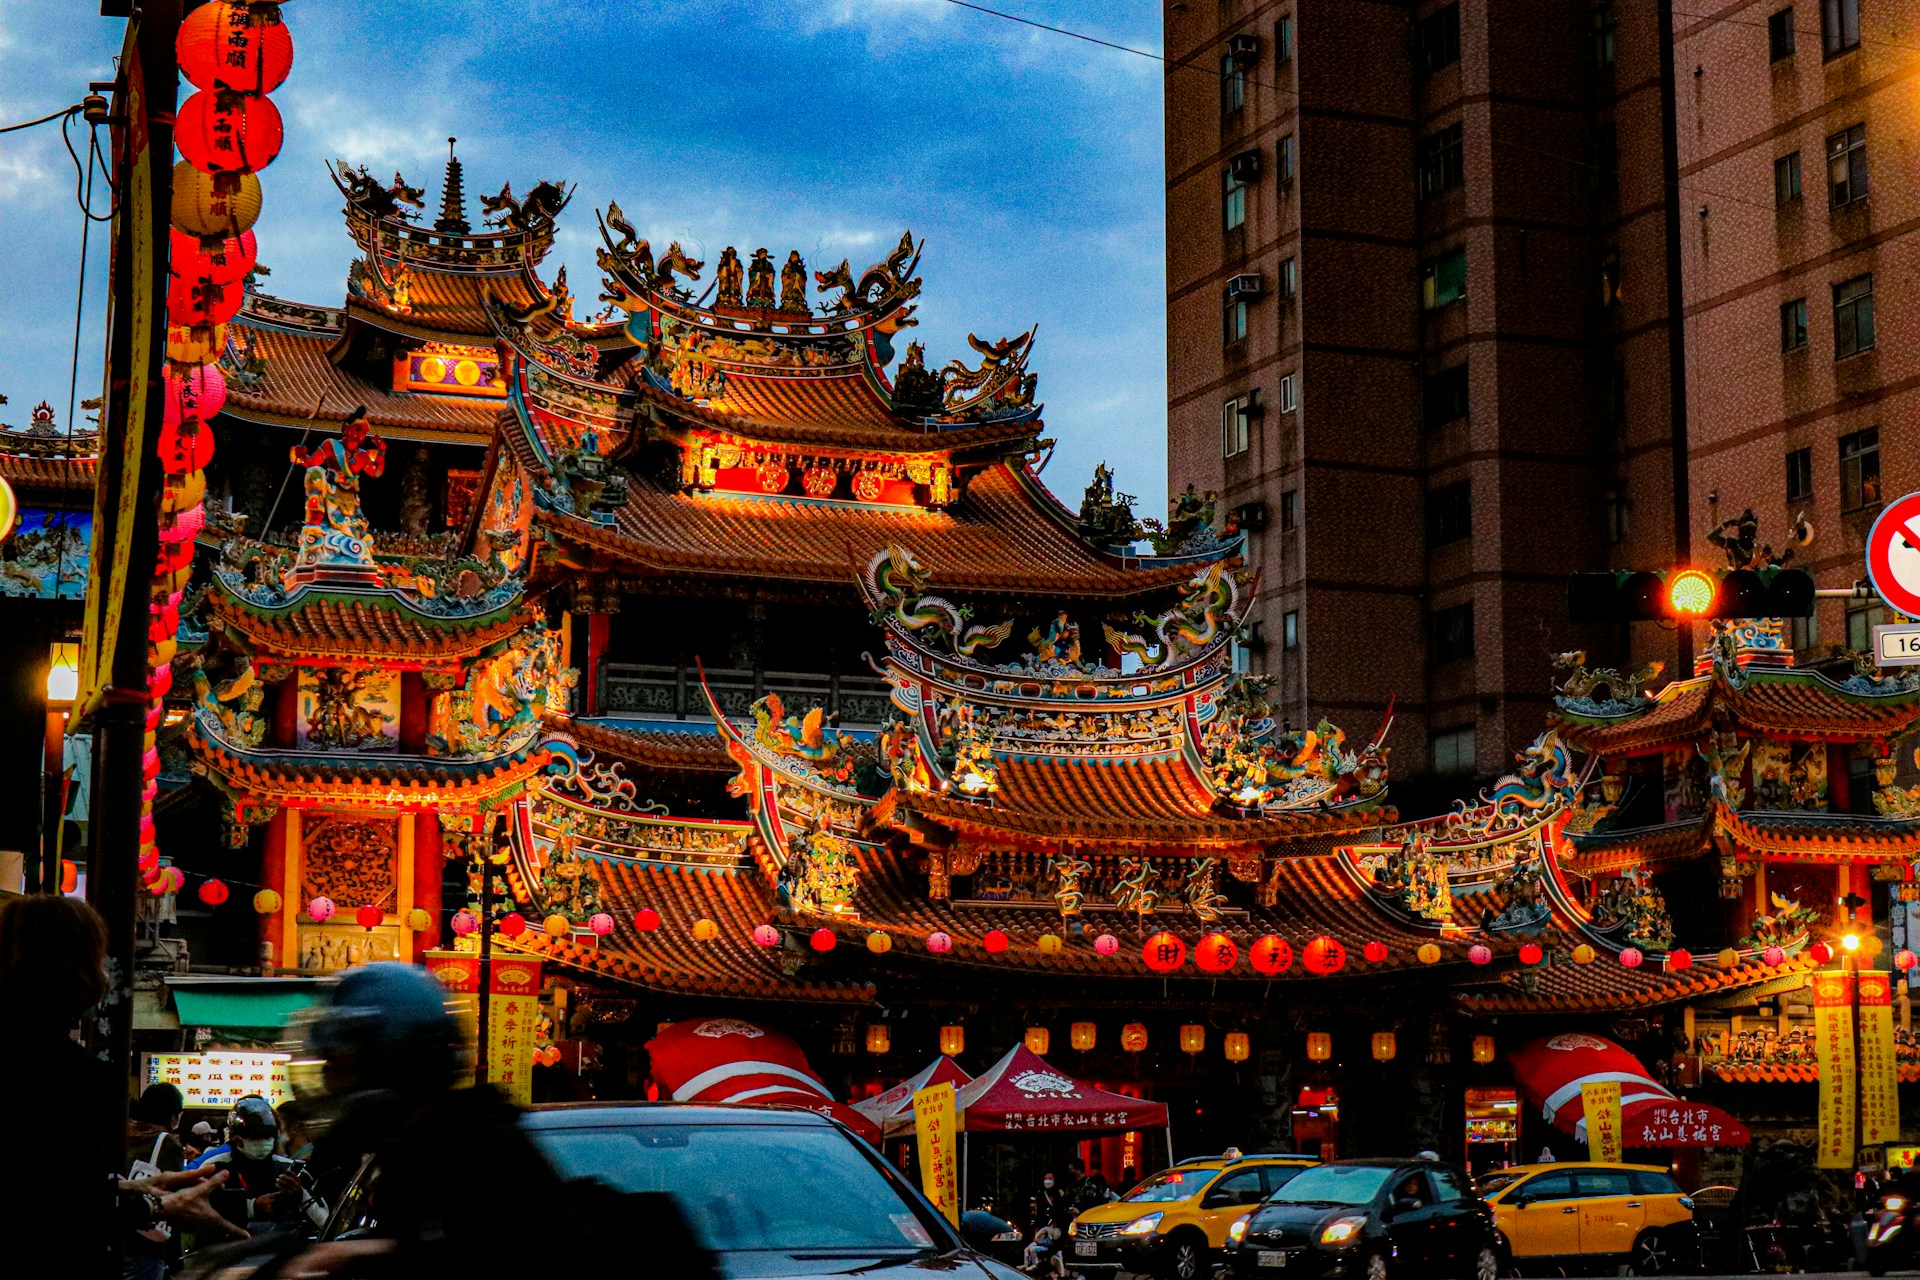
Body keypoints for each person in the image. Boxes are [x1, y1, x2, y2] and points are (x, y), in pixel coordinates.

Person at [188, 962, 713, 1278]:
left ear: (391, 1059)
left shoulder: (475, 1149)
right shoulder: (416, 1144)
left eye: (343, 1065)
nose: (329, 1083)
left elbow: (488, 1258)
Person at [0, 895, 244, 1279]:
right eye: (97, 957)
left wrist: (137, 1188)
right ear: (75, 969)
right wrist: (159, 1207)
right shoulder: (75, 1074)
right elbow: (67, 1200)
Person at [199, 1096, 321, 1234]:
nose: (263, 1143)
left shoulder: (291, 1171)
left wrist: (301, 1197)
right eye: (255, 1137)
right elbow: (196, 1215)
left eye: (267, 1136)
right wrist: (252, 1208)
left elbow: (325, 1222)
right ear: (236, 1139)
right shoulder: (214, 1168)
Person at [125, 1083, 188, 1280]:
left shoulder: (124, 1134)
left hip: (119, 1234)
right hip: (147, 1245)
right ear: (172, 1116)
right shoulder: (167, 1143)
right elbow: (174, 1200)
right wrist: (176, 1257)